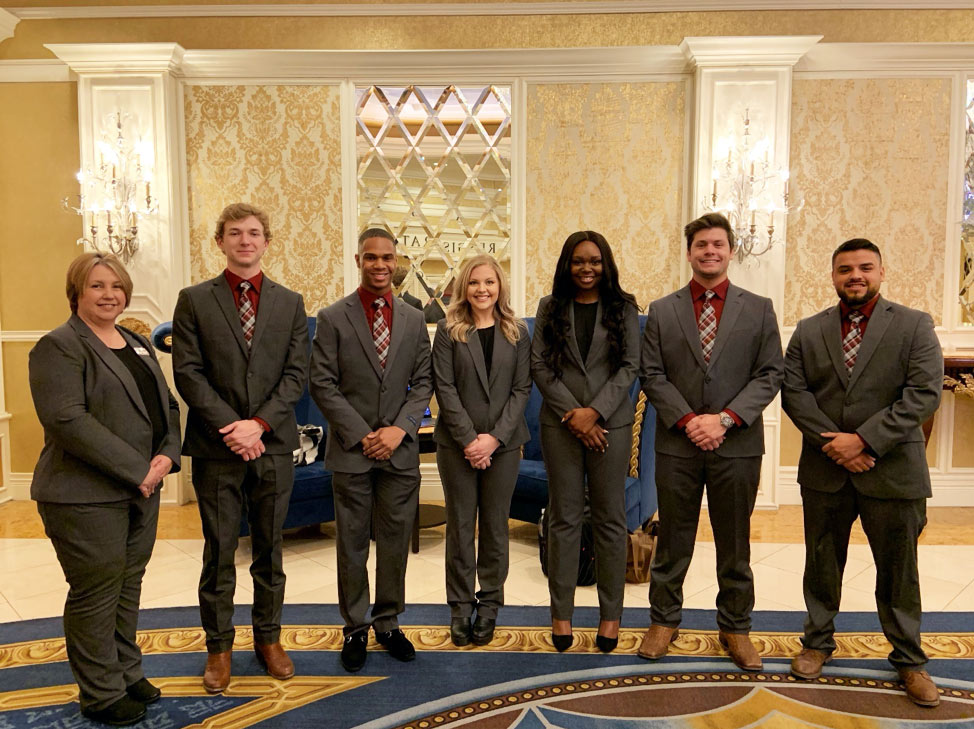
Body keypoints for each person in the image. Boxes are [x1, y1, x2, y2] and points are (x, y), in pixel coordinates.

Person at [782, 238, 943, 707]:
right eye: (845, 269)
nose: (856, 275)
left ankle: (910, 660)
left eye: (865, 267)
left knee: (899, 572)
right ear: (832, 276)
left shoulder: (914, 325)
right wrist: (837, 445)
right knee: (822, 565)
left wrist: (865, 440)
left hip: (892, 470)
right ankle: (816, 644)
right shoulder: (808, 331)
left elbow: (923, 393)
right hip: (825, 469)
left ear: (881, 271)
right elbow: (795, 393)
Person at [29, 252, 181, 725]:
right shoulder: (57, 346)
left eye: (116, 285)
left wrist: (167, 455)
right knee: (95, 591)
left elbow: (167, 409)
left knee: (127, 586)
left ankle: (125, 671)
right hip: (83, 496)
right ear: (76, 291)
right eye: (97, 285)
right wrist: (138, 468)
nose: (109, 294)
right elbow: (67, 420)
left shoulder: (136, 342)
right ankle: (100, 692)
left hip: (143, 488)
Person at [172, 203, 309, 693]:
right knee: (219, 552)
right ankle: (219, 647)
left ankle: (269, 639)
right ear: (221, 241)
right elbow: (188, 372)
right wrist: (233, 426)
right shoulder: (193, 300)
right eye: (235, 233)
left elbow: (296, 375)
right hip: (216, 447)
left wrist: (258, 425)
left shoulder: (291, 303)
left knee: (270, 550)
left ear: (266, 242)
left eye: (254, 233)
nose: (245, 240)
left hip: (271, 446)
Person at [638, 212, 783, 671]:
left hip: (736, 444)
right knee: (673, 540)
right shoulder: (662, 309)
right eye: (701, 245)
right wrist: (688, 420)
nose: (710, 251)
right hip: (677, 445)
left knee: (734, 543)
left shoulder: (759, 308)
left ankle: (736, 629)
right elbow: (652, 374)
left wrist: (723, 419)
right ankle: (663, 621)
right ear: (689, 252)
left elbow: (770, 373)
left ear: (731, 251)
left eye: (718, 244)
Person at [310, 228, 433, 672]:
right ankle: (356, 627)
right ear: (358, 259)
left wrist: (401, 430)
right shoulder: (332, 317)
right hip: (352, 450)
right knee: (353, 544)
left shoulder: (414, 319)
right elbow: (321, 382)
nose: (380, 265)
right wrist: (364, 433)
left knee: (396, 542)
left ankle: (388, 621)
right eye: (371, 257)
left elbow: (423, 382)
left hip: (399, 452)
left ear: (396, 261)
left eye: (387, 258)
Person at [530, 231, 640, 653]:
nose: (587, 268)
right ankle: (561, 616)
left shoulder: (623, 307)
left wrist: (594, 413)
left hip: (610, 426)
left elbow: (631, 366)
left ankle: (610, 618)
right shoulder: (549, 307)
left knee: (611, 521)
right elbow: (539, 364)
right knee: (564, 519)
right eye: (578, 261)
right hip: (560, 425)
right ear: (566, 264)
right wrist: (574, 414)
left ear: (605, 263)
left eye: (594, 261)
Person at [432, 254, 531, 647]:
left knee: (494, 528)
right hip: (456, 446)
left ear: (500, 286)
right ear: (463, 287)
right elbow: (445, 388)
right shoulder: (447, 330)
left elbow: (522, 389)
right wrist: (471, 439)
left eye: (489, 282)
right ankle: (459, 607)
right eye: (474, 282)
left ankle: (489, 606)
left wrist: (494, 439)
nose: (482, 289)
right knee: (459, 527)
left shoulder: (518, 332)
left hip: (504, 447)